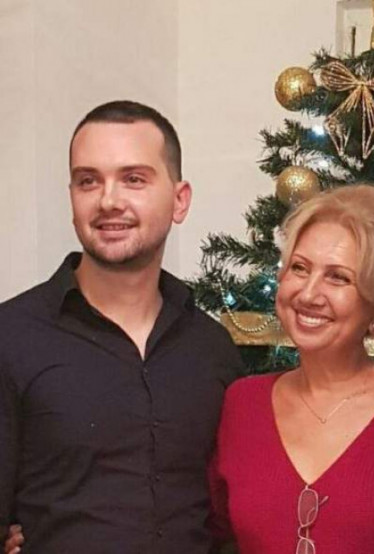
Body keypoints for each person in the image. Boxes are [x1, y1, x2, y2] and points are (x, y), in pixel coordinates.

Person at [0, 100, 243, 553]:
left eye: (134, 179)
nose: (108, 200)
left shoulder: (213, 349)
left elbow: (233, 515)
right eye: (88, 181)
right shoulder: (11, 338)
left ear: (179, 200)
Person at [207, 185, 374, 553]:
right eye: (299, 268)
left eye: (338, 277)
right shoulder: (242, 403)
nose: (308, 294)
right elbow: (210, 533)